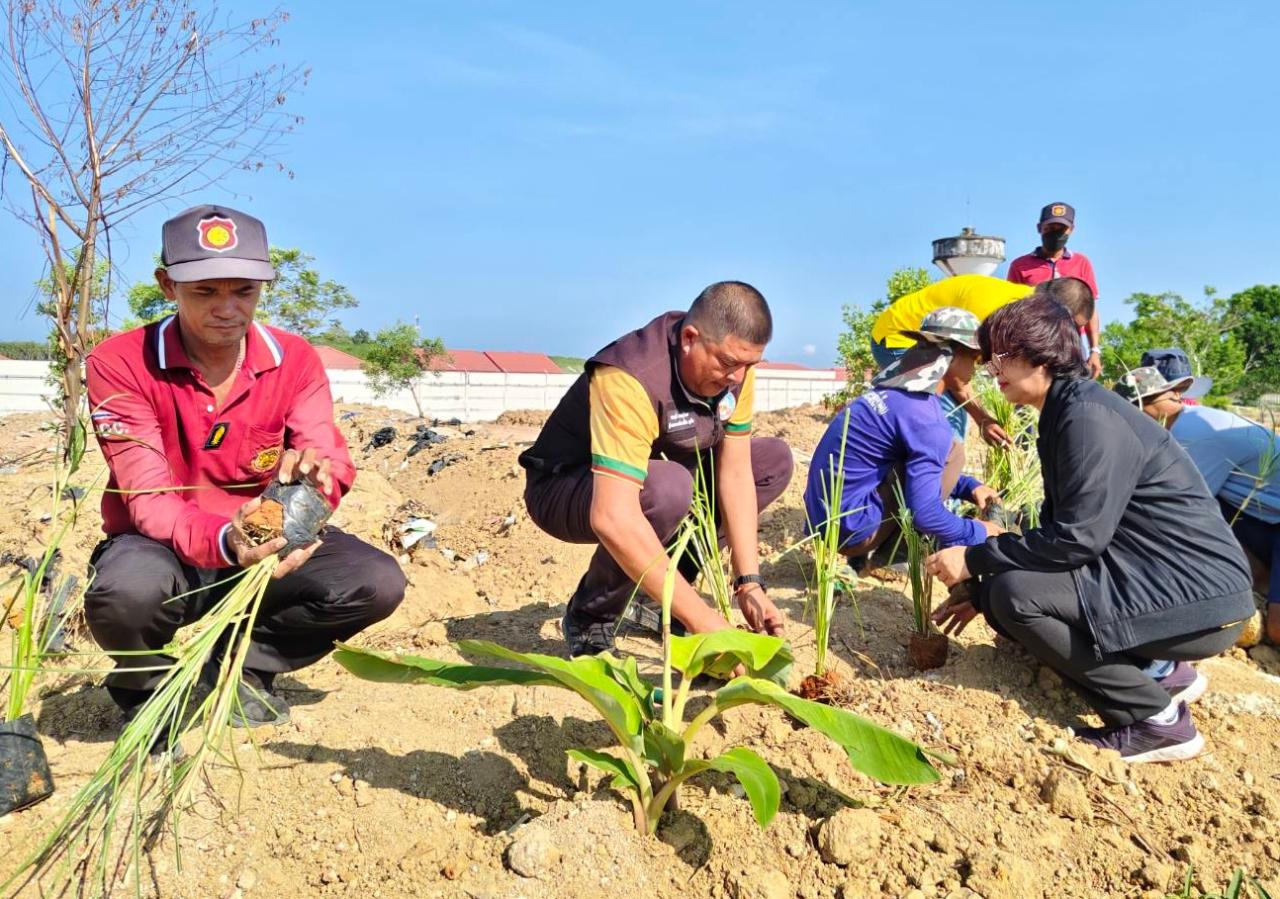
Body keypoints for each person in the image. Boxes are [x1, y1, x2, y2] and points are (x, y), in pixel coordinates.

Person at [85, 205, 407, 734]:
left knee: (374, 582)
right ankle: (148, 691)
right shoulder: (120, 363)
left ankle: (240, 667)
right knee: (127, 592)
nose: (228, 309)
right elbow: (148, 495)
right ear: (168, 286)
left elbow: (328, 456)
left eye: (244, 291)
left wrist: (311, 479)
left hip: (257, 529)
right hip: (160, 543)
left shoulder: (294, 360)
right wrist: (227, 541)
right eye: (205, 292)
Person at [925, 296, 1253, 763]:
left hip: (1197, 597)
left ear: (1040, 355)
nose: (990, 368)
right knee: (1002, 593)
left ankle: (1156, 721)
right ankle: (1159, 669)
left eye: (1001, 356)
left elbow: (1077, 540)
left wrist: (973, 559)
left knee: (1017, 595)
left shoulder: (1087, 419)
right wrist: (981, 587)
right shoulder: (1066, 411)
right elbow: (1068, 533)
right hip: (1167, 584)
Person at [519, 282, 793, 657]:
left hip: (648, 477)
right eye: (729, 363)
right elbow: (613, 516)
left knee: (772, 461)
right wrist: (706, 623)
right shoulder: (630, 375)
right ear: (690, 338)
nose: (739, 377)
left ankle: (660, 596)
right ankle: (591, 614)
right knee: (667, 489)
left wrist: (749, 585)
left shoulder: (735, 369)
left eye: (750, 365)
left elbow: (736, 474)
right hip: (564, 487)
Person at [805, 307, 1001, 563]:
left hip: (822, 524)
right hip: (851, 532)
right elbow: (926, 513)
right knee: (954, 451)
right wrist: (978, 530)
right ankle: (895, 552)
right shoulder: (926, 419)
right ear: (951, 358)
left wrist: (971, 487)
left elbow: (915, 468)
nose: (975, 370)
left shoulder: (891, 397)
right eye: (974, 358)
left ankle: (871, 551)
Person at [1116, 363, 1280, 643]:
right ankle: (1262, 581)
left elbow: (1176, 515)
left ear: (1140, 406)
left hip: (1270, 521)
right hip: (1264, 520)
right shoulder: (1192, 420)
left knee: (1278, 631)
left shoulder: (1191, 436)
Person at [1006, 202, 1104, 379]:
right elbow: (1010, 309)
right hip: (1033, 342)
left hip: (1071, 343)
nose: (1056, 233)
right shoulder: (1020, 266)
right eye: (1050, 227)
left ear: (1071, 230)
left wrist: (1094, 350)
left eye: (1061, 229)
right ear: (1039, 228)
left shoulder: (1081, 263)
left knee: (1071, 392)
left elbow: (1090, 309)